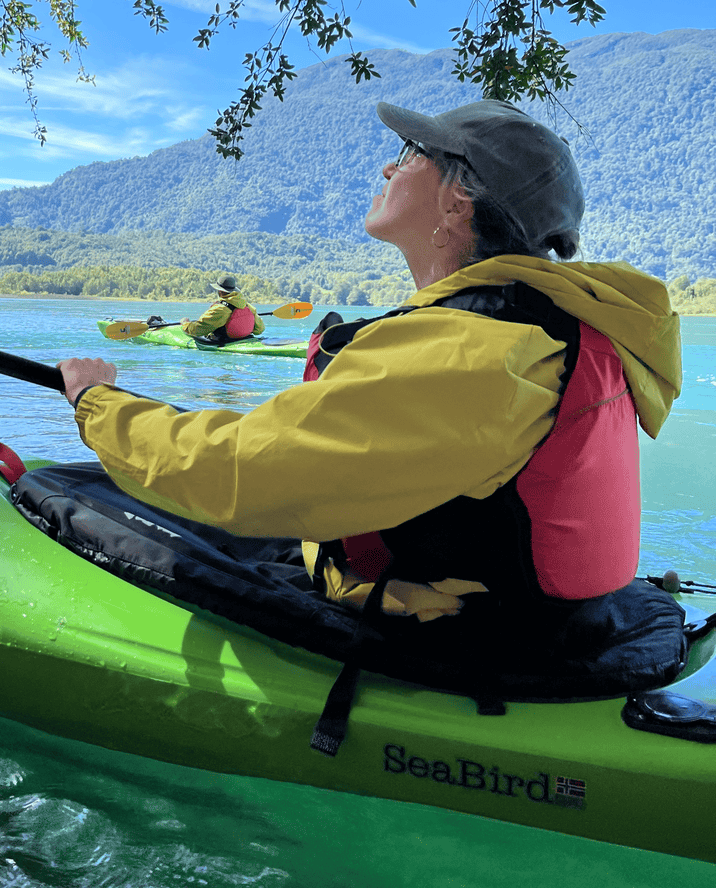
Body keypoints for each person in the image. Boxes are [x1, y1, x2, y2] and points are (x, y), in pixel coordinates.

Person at [56, 99, 681, 650]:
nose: (387, 167)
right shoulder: (548, 323)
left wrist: (98, 402)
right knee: (116, 491)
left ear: (457, 201)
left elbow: (239, 473)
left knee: (62, 494)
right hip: (527, 617)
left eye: (410, 154)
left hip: (464, 637)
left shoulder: (480, 351)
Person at [179, 275, 265, 344]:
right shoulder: (248, 307)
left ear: (220, 291)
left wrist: (185, 324)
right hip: (245, 339)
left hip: (226, 342)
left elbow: (199, 329)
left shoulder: (220, 309)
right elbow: (259, 330)